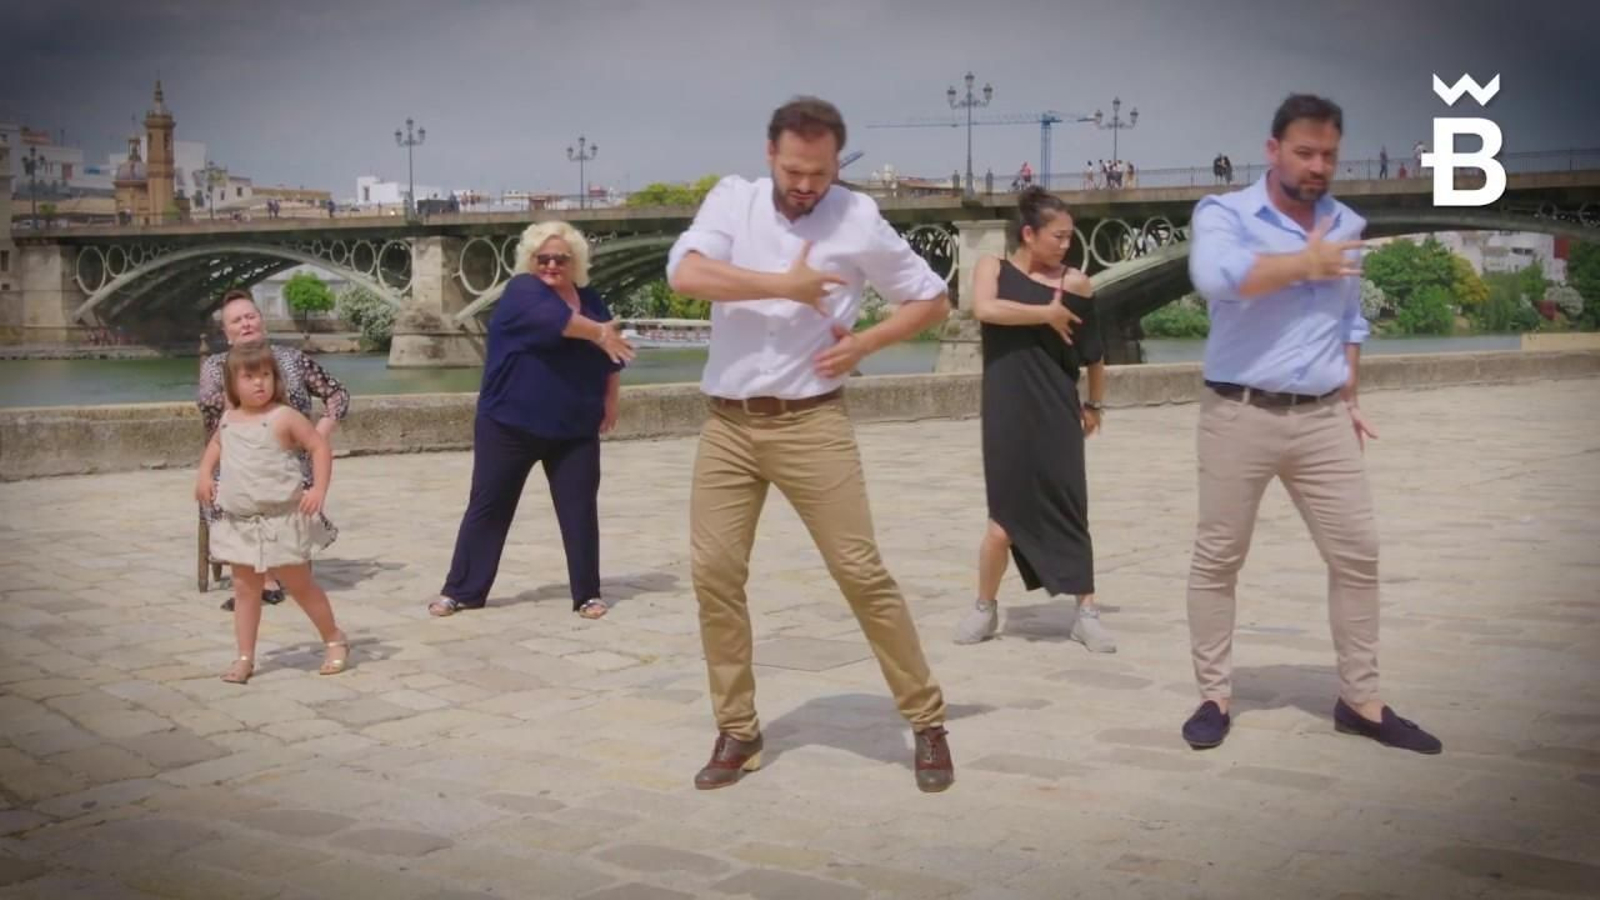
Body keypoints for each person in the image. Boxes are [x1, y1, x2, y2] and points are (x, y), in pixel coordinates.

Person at [666, 96, 956, 793]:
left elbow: (932, 298)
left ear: (837, 165)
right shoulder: (731, 201)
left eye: (819, 172)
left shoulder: (858, 218)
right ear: (770, 154)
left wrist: (867, 343)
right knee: (714, 577)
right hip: (728, 425)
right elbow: (688, 274)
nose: (805, 185)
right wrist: (786, 286)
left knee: (861, 573)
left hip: (812, 423)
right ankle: (738, 731)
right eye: (794, 170)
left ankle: (927, 721)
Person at [1179, 93, 1441, 755]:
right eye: (1305, 152)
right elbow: (1215, 278)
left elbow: (1349, 318)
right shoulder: (1226, 214)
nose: (1318, 164)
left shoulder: (1347, 222)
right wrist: (1305, 263)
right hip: (1238, 412)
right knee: (1219, 559)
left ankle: (1361, 699)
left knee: (1358, 555)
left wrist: (1350, 392)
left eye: (1328, 153)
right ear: (1274, 150)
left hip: (1324, 418)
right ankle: (1214, 695)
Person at [429, 222, 635, 620]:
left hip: (574, 426)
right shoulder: (523, 290)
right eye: (544, 258)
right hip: (509, 423)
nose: (552, 265)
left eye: (561, 258)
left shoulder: (590, 299)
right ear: (531, 260)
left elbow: (612, 355)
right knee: (488, 507)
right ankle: (461, 590)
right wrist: (599, 333)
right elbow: (555, 321)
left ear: (575, 261)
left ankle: (587, 594)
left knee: (579, 510)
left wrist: (611, 401)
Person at [954, 186, 1114, 651]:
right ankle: (984, 607)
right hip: (1005, 408)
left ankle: (1086, 611)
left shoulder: (1077, 283)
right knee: (1002, 520)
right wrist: (1046, 313)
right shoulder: (993, 269)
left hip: (1057, 410)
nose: (1066, 245)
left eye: (1070, 237)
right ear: (1029, 233)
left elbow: (1094, 354)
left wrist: (1094, 405)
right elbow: (985, 309)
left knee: (1069, 506)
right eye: (1058, 236)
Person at [195, 342, 348, 684]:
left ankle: (334, 637)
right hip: (241, 520)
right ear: (232, 383)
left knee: (300, 585)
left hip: (281, 519)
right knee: (245, 589)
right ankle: (245, 656)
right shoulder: (229, 420)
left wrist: (318, 489)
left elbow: (318, 446)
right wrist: (204, 474)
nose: (259, 383)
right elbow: (216, 446)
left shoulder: (284, 417)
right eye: (249, 377)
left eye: (265, 375)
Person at [198, 289, 349, 611]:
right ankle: (262, 578)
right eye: (236, 320)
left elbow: (337, 394)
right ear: (226, 333)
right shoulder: (215, 367)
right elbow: (212, 416)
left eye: (251, 316)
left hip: (292, 458)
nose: (246, 324)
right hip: (239, 457)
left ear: (262, 322)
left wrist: (319, 433)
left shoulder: (291, 359)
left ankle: (277, 571)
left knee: (286, 486)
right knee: (235, 489)